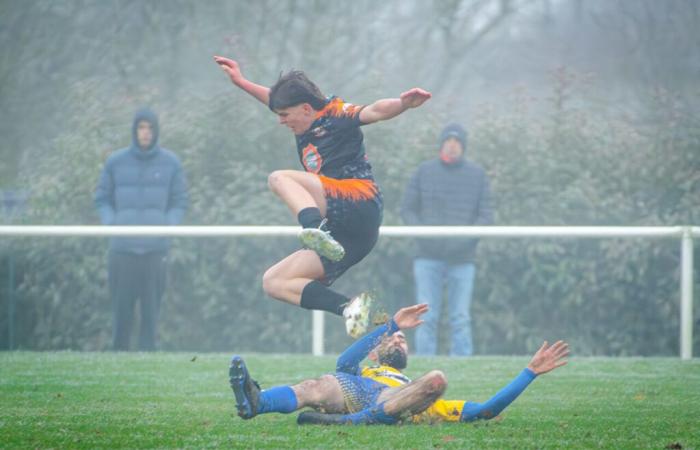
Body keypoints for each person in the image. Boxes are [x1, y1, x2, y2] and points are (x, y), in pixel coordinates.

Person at [214, 55, 432, 338]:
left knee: (279, 178)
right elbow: (273, 98)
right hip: (351, 238)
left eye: (284, 115)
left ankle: (314, 229)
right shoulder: (300, 114)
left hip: (359, 201)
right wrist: (241, 82)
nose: (281, 121)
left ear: (306, 109)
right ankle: (350, 308)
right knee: (274, 281)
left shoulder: (336, 113)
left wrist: (403, 104)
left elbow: (374, 111)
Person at [228, 303, 569, 425]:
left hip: (395, 401)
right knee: (316, 384)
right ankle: (257, 403)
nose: (399, 340)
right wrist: (391, 325)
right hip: (352, 392)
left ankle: (357, 422)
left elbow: (486, 411)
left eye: (403, 339)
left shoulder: (414, 389)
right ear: (375, 353)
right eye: (393, 340)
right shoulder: (361, 369)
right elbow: (345, 360)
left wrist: (529, 373)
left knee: (436, 380)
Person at [94, 108, 188, 351]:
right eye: (141, 127)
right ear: (134, 131)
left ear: (156, 131)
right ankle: (117, 361)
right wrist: (111, 224)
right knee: (121, 313)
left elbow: (179, 201)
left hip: (156, 250)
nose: (145, 133)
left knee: (151, 315)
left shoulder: (171, 163)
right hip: (121, 249)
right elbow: (102, 198)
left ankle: (148, 363)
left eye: (150, 128)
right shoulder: (115, 162)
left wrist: (168, 226)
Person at [400, 123, 493, 356]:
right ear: (442, 144)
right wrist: (425, 236)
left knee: (460, 317)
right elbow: (408, 210)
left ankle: (463, 367)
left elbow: (485, 216)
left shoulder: (477, 175)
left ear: (463, 146)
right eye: (448, 141)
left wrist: (463, 240)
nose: (452, 146)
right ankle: (423, 369)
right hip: (427, 256)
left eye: (457, 142)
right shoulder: (424, 171)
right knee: (426, 317)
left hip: (463, 258)